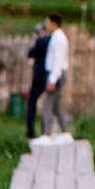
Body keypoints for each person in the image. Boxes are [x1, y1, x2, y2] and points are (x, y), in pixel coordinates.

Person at [37, 12, 71, 141]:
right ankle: (65, 132)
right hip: (57, 74)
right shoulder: (56, 37)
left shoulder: (58, 39)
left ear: (53, 23)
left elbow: (58, 60)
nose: (46, 25)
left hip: (56, 74)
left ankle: (47, 134)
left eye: (47, 22)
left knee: (48, 105)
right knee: (56, 107)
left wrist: (52, 80)